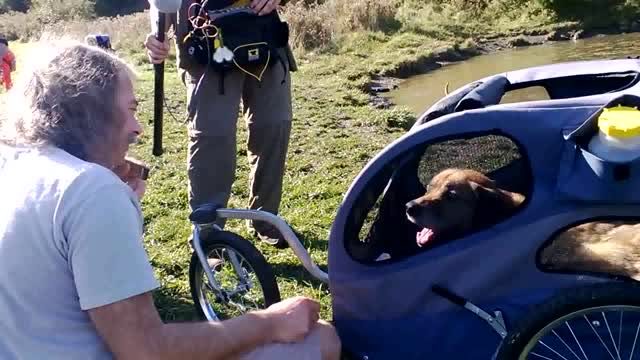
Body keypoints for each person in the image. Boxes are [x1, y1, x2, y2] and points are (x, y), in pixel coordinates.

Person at [0, 41, 340, 359]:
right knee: (322, 339)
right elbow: (147, 350)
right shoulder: (92, 191)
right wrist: (268, 322)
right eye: (130, 110)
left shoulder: (12, 162)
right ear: (92, 114)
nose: (138, 129)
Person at [144, 0, 297, 247]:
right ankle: (208, 235)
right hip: (204, 41)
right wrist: (157, 33)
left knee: (273, 126)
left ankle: (265, 219)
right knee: (212, 138)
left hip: (264, 36)